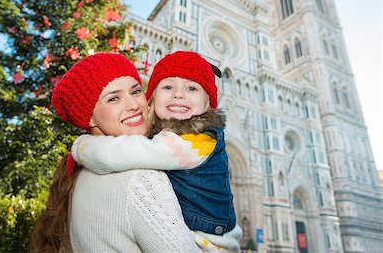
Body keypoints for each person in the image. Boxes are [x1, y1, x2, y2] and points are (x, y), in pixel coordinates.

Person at [71, 51, 242, 252]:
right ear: (152, 97)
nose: (179, 94)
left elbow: (131, 152)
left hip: (214, 241)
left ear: (208, 104)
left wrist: (85, 147)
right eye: (168, 87)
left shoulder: (196, 141)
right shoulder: (143, 180)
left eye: (135, 92)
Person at [31, 52, 201, 253]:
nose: (134, 105)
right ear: (90, 118)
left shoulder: (79, 176)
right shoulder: (141, 179)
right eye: (113, 99)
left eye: (136, 91)